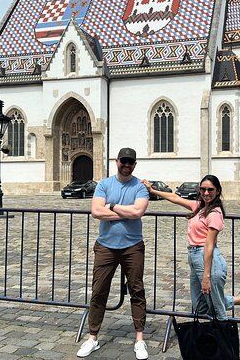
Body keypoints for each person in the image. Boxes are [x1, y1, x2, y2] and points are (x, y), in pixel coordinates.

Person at [142, 175, 240, 321]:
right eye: (203, 189)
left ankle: (222, 341)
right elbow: (175, 198)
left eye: (210, 190)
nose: (206, 193)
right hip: (194, 257)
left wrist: (206, 275)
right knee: (201, 306)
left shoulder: (214, 214)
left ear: (218, 191)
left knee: (216, 310)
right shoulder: (200, 207)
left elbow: (209, 245)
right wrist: (153, 191)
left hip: (207, 259)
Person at [77, 148, 150, 359]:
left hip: (132, 246)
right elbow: (96, 212)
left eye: (130, 162)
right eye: (123, 161)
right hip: (106, 246)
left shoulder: (140, 186)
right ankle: (92, 338)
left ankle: (139, 340)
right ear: (116, 161)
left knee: (137, 290)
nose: (126, 165)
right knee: (98, 291)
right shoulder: (104, 184)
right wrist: (124, 212)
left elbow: (138, 212)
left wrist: (111, 206)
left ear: (135, 165)